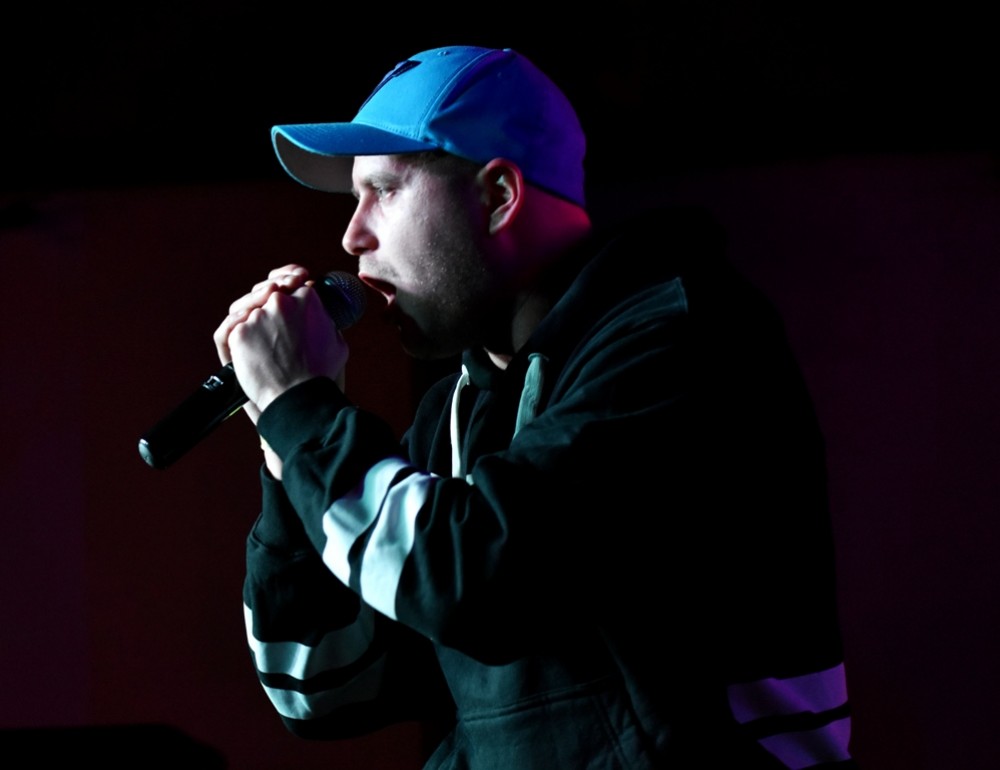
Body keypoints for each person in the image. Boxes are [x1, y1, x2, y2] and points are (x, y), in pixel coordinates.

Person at [214, 45, 857, 768]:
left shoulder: (683, 339)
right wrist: (284, 447)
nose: (351, 235)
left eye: (383, 190)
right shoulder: (457, 412)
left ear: (498, 196)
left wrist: (302, 411)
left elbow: (481, 582)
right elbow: (322, 687)